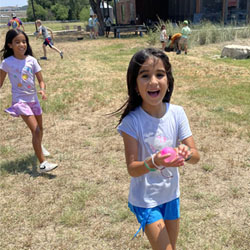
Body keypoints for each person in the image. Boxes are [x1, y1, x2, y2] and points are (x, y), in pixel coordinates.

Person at [116, 48, 200, 250]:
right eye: (145, 76)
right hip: (146, 200)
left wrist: (185, 153)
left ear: (168, 81)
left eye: (160, 74)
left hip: (171, 196)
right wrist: (156, 161)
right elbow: (132, 169)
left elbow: (196, 156)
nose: (153, 81)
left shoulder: (178, 113)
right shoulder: (132, 122)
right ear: (135, 85)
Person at [0, 29, 58, 173]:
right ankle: (43, 164)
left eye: (24, 41)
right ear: (9, 45)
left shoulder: (32, 60)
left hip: (34, 100)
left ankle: (39, 146)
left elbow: (41, 80)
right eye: (17, 42)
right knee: (36, 129)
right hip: (20, 102)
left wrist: (43, 90)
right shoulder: (7, 62)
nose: (21, 44)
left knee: (40, 129)